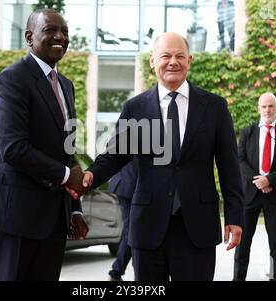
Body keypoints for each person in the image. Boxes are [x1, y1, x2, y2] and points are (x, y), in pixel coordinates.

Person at [71, 32, 244, 281]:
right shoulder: (136, 108)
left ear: (189, 60)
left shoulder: (214, 107)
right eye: (165, 56)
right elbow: (116, 154)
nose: (172, 62)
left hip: (197, 225)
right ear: (153, 61)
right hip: (149, 227)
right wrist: (90, 174)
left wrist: (235, 216)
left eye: (179, 56)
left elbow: (229, 166)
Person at [0, 9, 88, 281]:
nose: (60, 36)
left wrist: (75, 209)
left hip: (53, 218)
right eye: (50, 30)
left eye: (65, 31)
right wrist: (64, 175)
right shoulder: (12, 79)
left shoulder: (66, 85)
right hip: (15, 216)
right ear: (29, 37)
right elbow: (13, 149)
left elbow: (66, 151)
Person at [233, 93, 276, 281]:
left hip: (275, 194)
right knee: (242, 244)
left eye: (270, 106)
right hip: (250, 194)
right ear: (258, 109)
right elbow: (240, 160)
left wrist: (270, 180)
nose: (267, 110)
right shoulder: (247, 132)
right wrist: (259, 181)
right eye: (264, 106)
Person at [107, 159, 139, 281]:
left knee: (132, 230)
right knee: (132, 231)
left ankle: (117, 271)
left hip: (128, 183)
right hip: (130, 185)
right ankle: (117, 271)